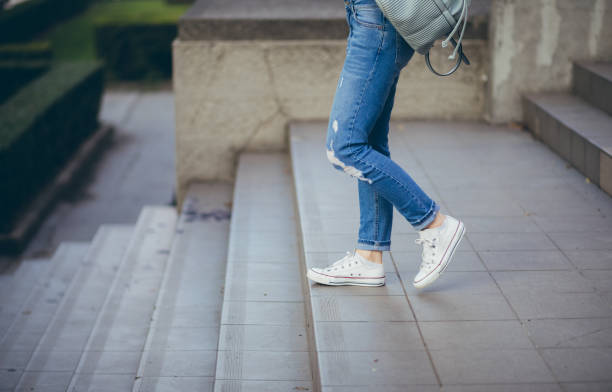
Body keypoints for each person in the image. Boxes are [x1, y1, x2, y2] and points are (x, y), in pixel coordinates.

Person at [306, 0, 466, 289]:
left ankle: (433, 223)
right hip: (371, 18)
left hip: (377, 20)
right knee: (369, 143)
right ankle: (370, 254)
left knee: (344, 147)